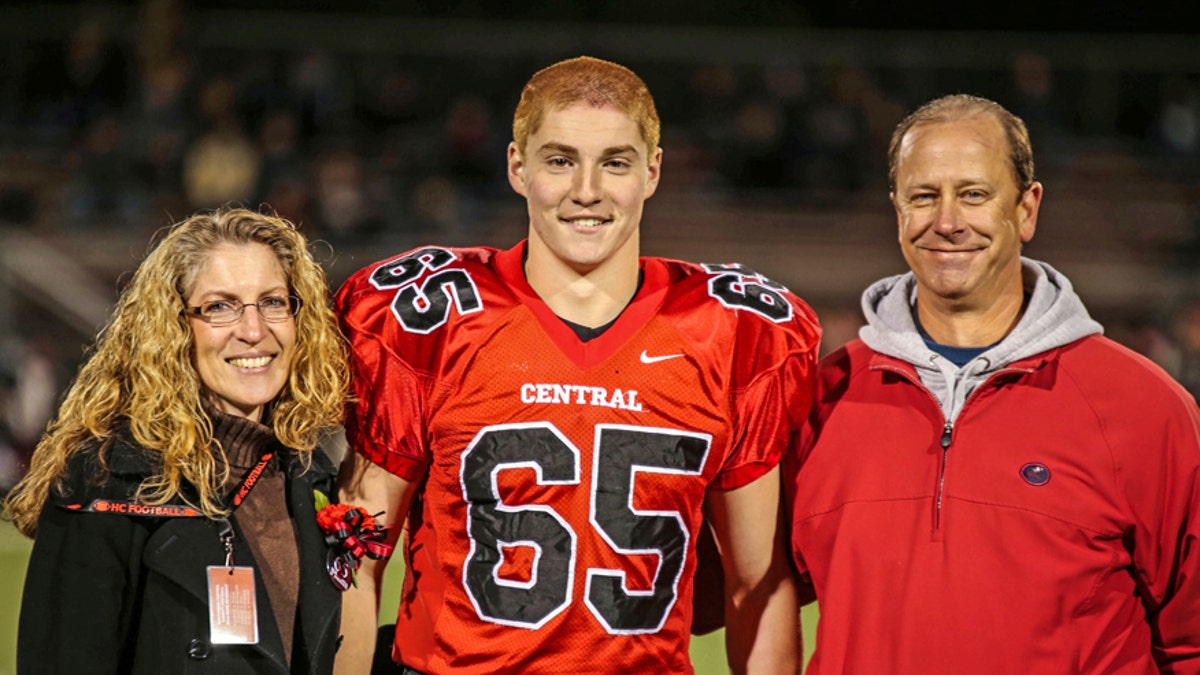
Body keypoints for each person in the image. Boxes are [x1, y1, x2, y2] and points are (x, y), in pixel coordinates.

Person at [334, 55, 821, 674]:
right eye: (560, 160)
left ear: (653, 171)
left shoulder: (733, 332)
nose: (586, 190)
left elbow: (759, 584)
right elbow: (357, 558)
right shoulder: (435, 318)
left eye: (614, 162)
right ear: (518, 166)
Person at [788, 94, 1200, 673]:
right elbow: (746, 594)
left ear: (1026, 209)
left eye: (974, 194)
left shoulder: (1145, 408)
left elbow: (1192, 641)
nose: (947, 221)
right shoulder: (820, 398)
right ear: (897, 212)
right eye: (923, 196)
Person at [3, 208, 350, 674]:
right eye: (219, 306)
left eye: (272, 302)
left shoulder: (310, 473)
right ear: (172, 327)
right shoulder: (107, 479)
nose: (253, 330)